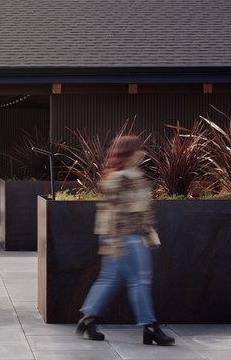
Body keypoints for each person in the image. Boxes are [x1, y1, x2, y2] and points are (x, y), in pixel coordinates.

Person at [75, 135, 174, 346]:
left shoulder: (121, 177)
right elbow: (119, 213)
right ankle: (150, 327)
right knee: (140, 281)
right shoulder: (125, 179)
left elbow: (136, 212)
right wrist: (122, 240)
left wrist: (144, 236)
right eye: (139, 150)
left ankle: (88, 318)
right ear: (129, 153)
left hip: (116, 237)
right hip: (126, 237)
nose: (143, 153)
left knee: (109, 278)